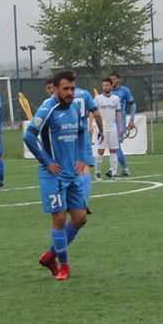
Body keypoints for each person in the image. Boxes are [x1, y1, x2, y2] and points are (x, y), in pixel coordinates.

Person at [24, 71, 88, 281]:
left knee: (80, 218)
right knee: (59, 218)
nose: (70, 92)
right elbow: (29, 136)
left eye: (72, 88)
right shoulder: (47, 109)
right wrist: (47, 162)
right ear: (56, 89)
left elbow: (81, 132)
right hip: (54, 175)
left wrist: (81, 157)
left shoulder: (75, 108)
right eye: (65, 89)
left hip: (72, 173)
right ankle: (64, 266)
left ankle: (51, 255)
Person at [93, 77, 123, 180]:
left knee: (113, 151)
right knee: (100, 151)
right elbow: (92, 112)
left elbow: (118, 112)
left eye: (107, 85)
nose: (105, 87)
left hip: (113, 127)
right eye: (103, 85)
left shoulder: (116, 98)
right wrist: (90, 125)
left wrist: (120, 126)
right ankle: (97, 172)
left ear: (111, 86)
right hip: (102, 128)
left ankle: (114, 173)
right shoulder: (97, 99)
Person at [109, 72, 134, 176]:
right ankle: (124, 169)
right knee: (114, 146)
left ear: (118, 79)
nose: (112, 81)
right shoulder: (108, 91)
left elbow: (132, 104)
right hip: (109, 123)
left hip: (120, 122)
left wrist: (132, 120)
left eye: (114, 78)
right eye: (111, 79)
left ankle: (113, 169)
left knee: (116, 145)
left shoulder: (124, 90)